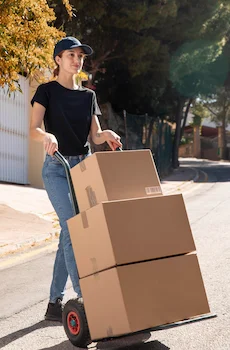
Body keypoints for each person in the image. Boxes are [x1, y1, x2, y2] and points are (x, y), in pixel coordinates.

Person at [30, 36, 122, 322]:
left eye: (80, 56)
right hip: (57, 168)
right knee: (73, 230)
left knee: (69, 233)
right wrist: (47, 135)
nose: (77, 60)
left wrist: (105, 134)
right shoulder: (46, 91)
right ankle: (87, 298)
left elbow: (93, 136)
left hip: (82, 169)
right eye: (71, 55)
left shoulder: (88, 96)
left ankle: (54, 304)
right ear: (58, 59)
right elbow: (33, 129)